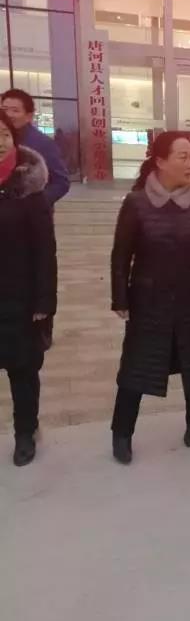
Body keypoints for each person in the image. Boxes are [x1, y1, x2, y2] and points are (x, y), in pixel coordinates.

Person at [110, 132, 190, 465]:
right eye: (183, 157)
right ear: (160, 161)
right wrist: (120, 297)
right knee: (136, 368)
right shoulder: (136, 203)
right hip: (149, 301)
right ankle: (122, 433)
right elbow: (121, 255)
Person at [0, 111, 57, 467]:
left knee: (22, 371)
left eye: (3, 134)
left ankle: (25, 431)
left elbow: (44, 251)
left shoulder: (30, 191)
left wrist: (44, 301)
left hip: (17, 299)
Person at [1, 89, 70, 205]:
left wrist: (38, 203)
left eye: (15, 110)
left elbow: (61, 182)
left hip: (28, 212)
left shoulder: (43, 144)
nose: (8, 114)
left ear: (29, 116)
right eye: (4, 109)